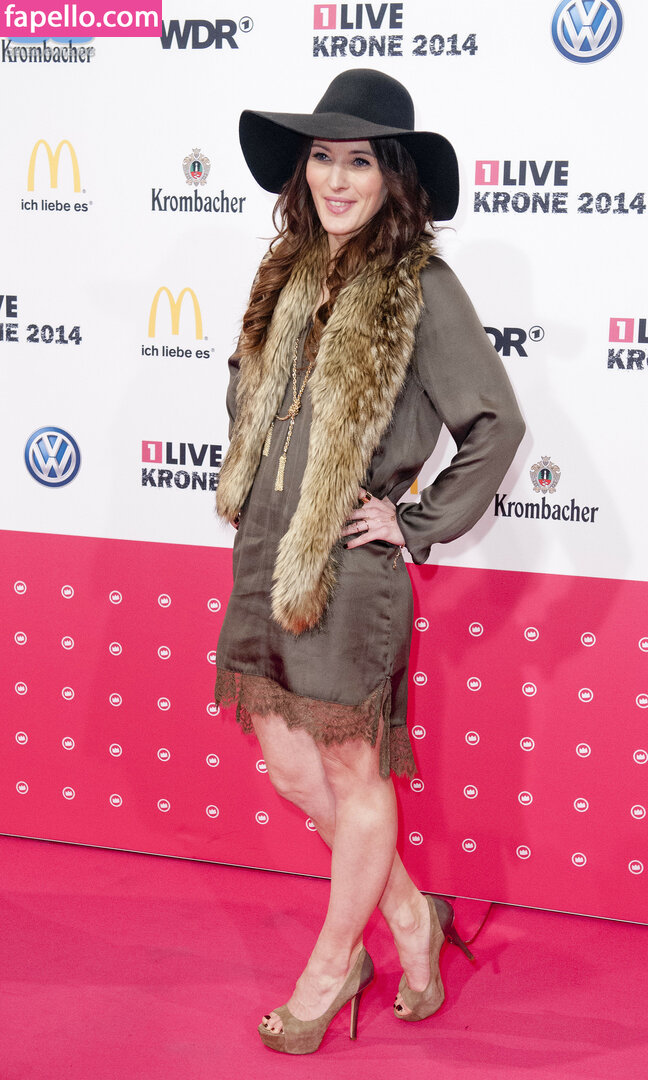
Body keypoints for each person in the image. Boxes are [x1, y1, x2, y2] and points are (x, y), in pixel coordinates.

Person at [214, 68, 525, 1054]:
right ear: (301, 170)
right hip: (266, 553)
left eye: (359, 161)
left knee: (353, 774)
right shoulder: (288, 273)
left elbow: (495, 422)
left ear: (394, 176)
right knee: (288, 765)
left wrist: (416, 520)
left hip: (349, 571)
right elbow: (248, 390)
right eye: (322, 158)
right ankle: (411, 917)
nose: (336, 180)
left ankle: (332, 964)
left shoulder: (421, 287)